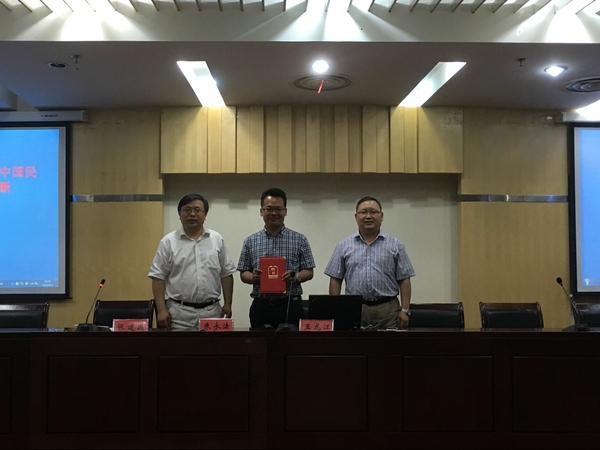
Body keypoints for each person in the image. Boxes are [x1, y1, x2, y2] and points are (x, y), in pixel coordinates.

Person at [324, 196, 415, 329]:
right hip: (354, 308)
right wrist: (336, 308)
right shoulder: (343, 245)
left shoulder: (395, 245)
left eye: (373, 212)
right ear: (356, 217)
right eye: (363, 212)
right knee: (353, 343)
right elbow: (335, 279)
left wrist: (405, 310)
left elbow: (404, 279)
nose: (368, 216)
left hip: (388, 310)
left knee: (389, 343)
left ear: (381, 216)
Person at [149, 194, 236, 329]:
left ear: (205, 214)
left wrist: (228, 303)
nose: (192, 214)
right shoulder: (168, 242)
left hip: (212, 311)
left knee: (214, 344)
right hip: (179, 314)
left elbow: (226, 274)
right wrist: (161, 310)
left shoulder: (216, 239)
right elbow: (158, 277)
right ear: (179, 214)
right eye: (187, 210)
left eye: (197, 210)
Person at [238, 188, 315, 328]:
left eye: (278, 209)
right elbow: (243, 273)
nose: (274, 213)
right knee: (259, 342)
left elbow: (309, 271)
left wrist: (295, 276)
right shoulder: (250, 241)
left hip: (290, 305)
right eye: (269, 209)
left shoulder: (299, 239)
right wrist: (253, 277)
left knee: (292, 342)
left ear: (285, 211)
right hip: (261, 305)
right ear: (261, 211)